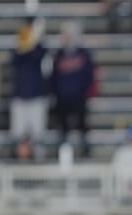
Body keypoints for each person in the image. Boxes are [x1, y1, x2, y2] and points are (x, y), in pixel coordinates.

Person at [51, 20, 95, 158]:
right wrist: (55, 92)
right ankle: (63, 149)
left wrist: (84, 91)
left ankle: (84, 148)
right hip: (62, 96)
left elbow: (89, 75)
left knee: (82, 123)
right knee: (63, 125)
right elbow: (54, 76)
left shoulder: (83, 54)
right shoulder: (58, 54)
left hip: (78, 95)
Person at [10, 16, 48, 161]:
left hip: (36, 96)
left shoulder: (39, 45)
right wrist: (25, 42)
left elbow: (39, 55)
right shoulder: (20, 42)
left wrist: (34, 40)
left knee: (38, 135)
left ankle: (39, 163)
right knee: (18, 134)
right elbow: (15, 59)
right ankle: (18, 162)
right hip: (20, 96)